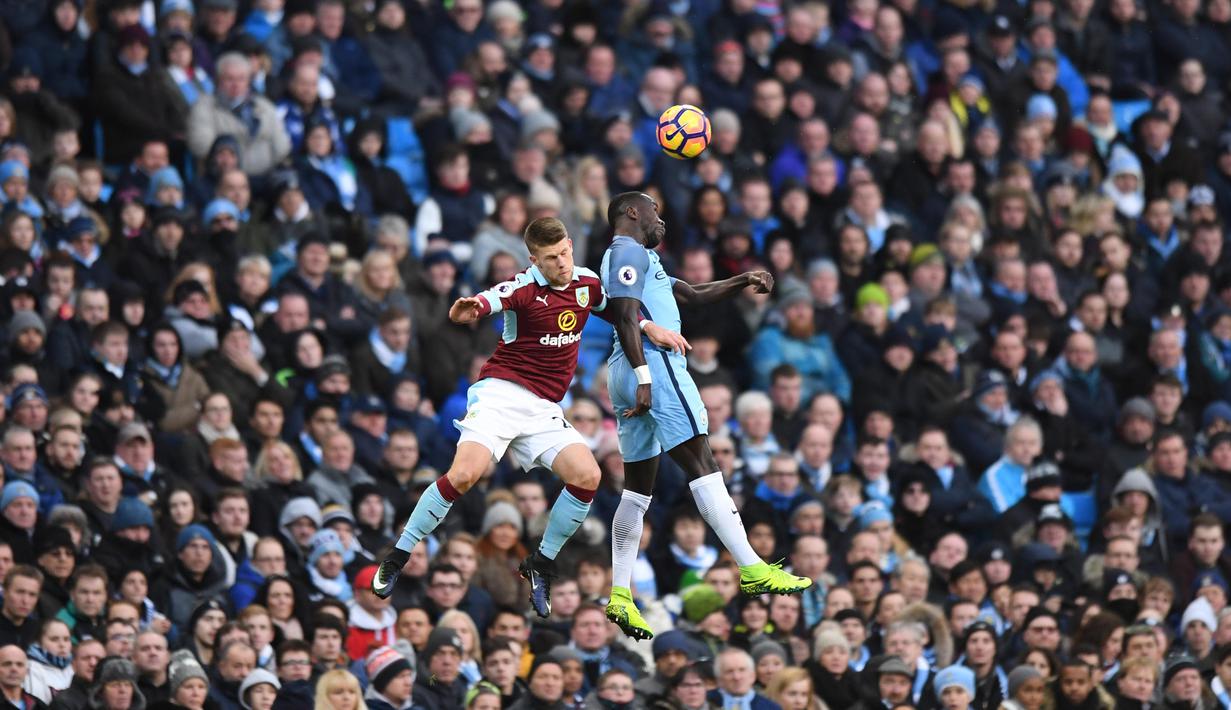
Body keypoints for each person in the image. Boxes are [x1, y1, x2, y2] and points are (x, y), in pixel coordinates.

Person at [371, 217, 684, 619]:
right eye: (552, 258)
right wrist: (472, 308)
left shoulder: (586, 283)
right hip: (501, 395)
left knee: (587, 477)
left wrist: (648, 326)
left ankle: (541, 562)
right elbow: (491, 299)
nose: (562, 263)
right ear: (535, 260)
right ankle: (398, 555)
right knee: (464, 475)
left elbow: (616, 311)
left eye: (565, 253)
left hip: (543, 407)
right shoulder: (522, 287)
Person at [600, 191, 812, 640]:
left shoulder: (641, 258)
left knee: (637, 490)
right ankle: (751, 566)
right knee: (703, 462)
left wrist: (743, 279)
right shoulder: (627, 251)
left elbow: (692, 293)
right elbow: (623, 315)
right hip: (653, 364)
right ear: (633, 212)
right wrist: (644, 376)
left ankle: (619, 593)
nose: (662, 221)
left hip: (626, 368)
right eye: (655, 211)